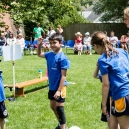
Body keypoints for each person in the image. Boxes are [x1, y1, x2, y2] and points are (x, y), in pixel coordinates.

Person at [91, 31, 129, 129]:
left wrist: (104, 105)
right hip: (124, 94)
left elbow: (105, 85)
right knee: (113, 124)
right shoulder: (123, 51)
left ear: (95, 45)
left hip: (121, 96)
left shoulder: (103, 59)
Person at [37, 33, 70, 129]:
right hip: (52, 86)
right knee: (53, 107)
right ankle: (61, 124)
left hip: (60, 87)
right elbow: (39, 54)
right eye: (50, 43)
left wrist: (59, 90)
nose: (52, 45)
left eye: (54, 43)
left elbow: (63, 76)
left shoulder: (63, 58)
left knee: (59, 108)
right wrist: (39, 44)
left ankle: (63, 127)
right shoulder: (49, 55)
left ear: (60, 43)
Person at [93, 62, 119, 129]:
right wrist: (98, 67)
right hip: (107, 100)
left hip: (115, 99)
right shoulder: (106, 77)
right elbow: (95, 76)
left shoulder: (116, 77)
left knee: (115, 121)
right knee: (110, 122)